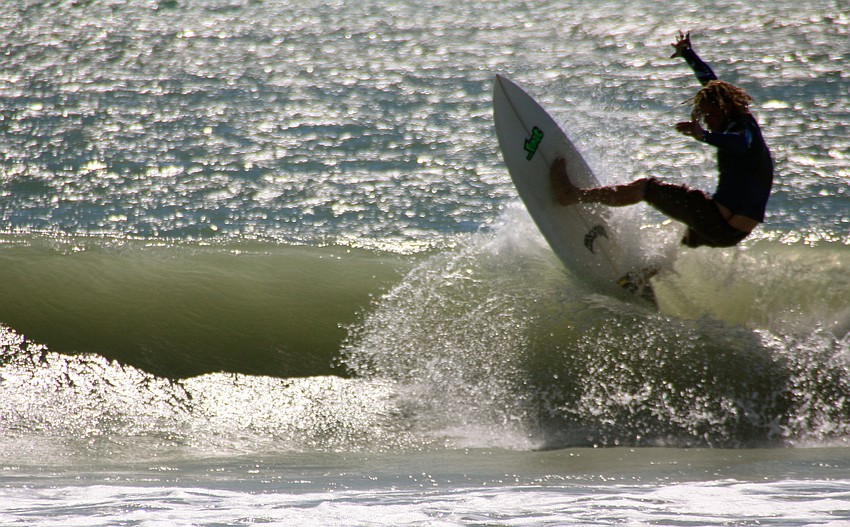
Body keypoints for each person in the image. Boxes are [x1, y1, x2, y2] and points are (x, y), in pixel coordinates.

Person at [551, 31, 774, 248]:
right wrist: (689, 55)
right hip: (732, 234)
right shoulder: (740, 116)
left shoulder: (741, 131)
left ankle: (572, 195)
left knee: (645, 188)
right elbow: (711, 83)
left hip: (716, 219)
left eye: (708, 115)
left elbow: (740, 143)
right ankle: (646, 273)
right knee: (678, 235)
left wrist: (704, 135)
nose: (707, 120)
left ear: (721, 109)